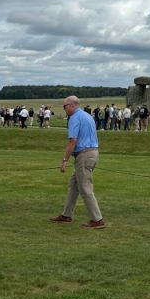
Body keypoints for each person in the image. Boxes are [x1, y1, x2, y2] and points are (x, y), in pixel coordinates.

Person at [50, 96, 104, 228]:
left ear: (71, 105)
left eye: (64, 107)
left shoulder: (74, 118)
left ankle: (97, 220)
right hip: (92, 153)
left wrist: (64, 160)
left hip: (84, 155)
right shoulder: (87, 116)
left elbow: (73, 141)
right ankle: (66, 215)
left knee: (85, 188)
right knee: (73, 186)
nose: (64, 109)